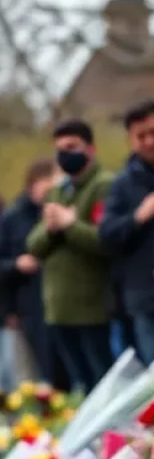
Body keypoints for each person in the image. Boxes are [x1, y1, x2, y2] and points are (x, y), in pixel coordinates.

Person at [26, 119, 114, 393]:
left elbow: (105, 240)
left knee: (103, 383)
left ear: (90, 149)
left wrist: (70, 225)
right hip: (58, 307)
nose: (65, 154)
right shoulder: (58, 191)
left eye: (72, 147)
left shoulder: (104, 185)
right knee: (82, 386)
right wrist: (55, 227)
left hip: (92, 307)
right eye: (60, 149)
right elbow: (34, 244)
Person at [99, 99, 154, 363]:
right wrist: (138, 217)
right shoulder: (123, 183)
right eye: (140, 136)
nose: (149, 142)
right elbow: (107, 233)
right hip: (144, 295)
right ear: (131, 139)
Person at [0, 158, 62, 385]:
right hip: (27, 309)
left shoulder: (58, 211)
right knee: (28, 375)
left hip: (59, 305)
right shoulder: (12, 218)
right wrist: (17, 264)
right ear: (34, 184)